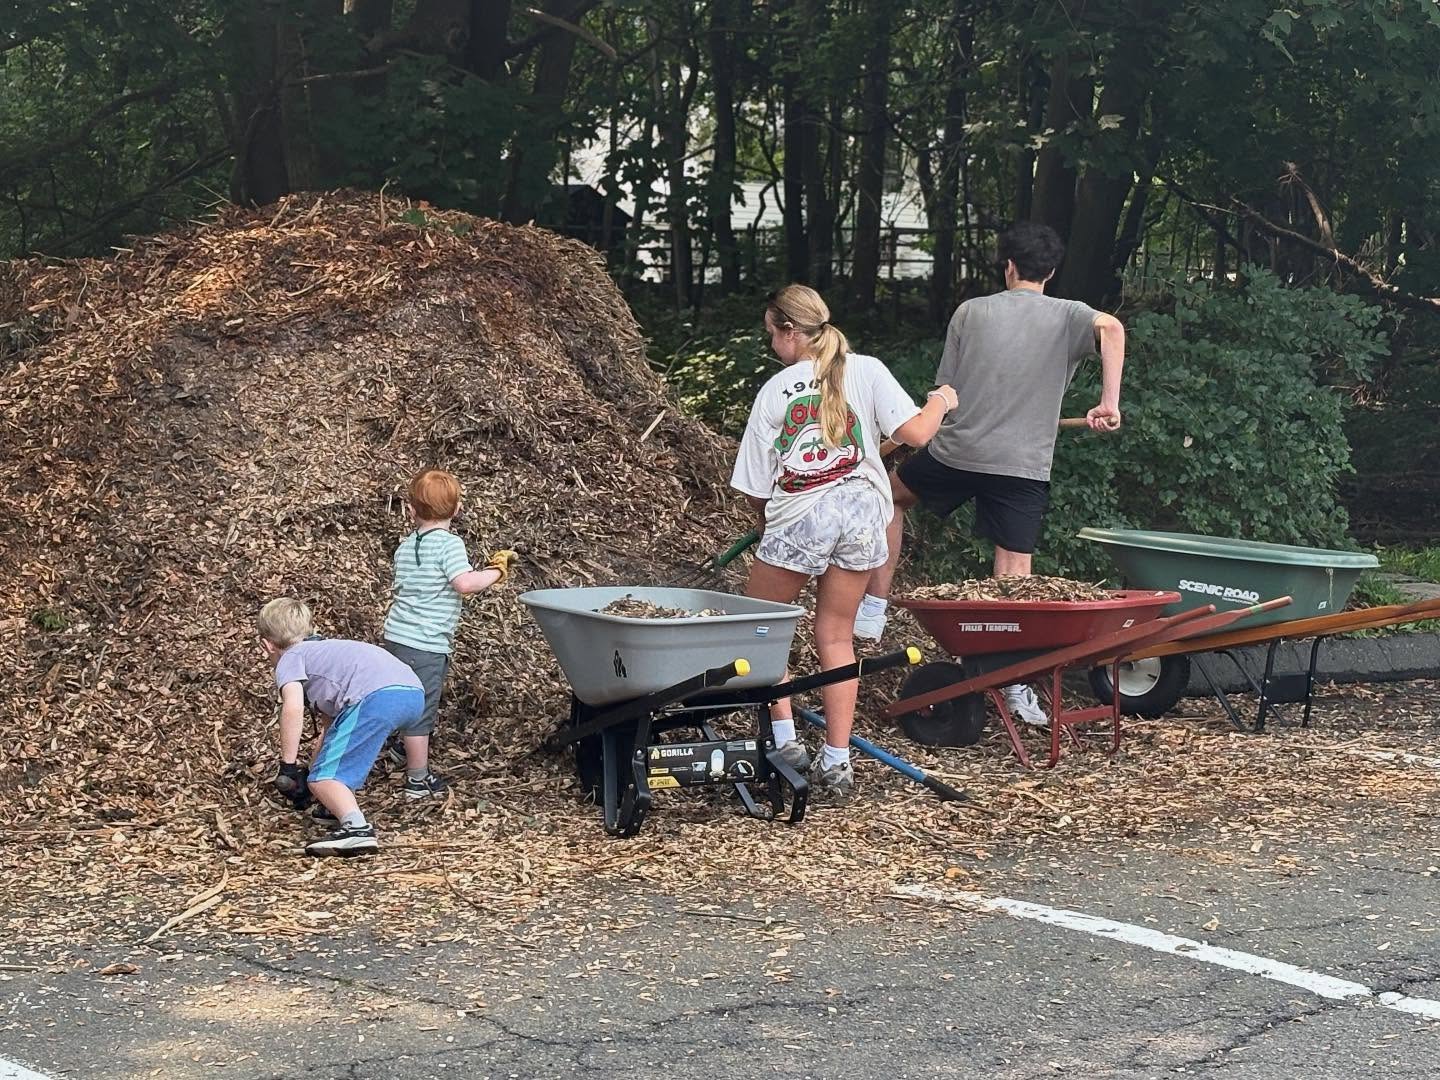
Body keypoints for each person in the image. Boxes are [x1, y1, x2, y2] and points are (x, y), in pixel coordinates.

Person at [857, 221, 1125, 726]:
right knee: (1014, 574)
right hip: (1021, 467)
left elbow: (945, 394)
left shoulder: (970, 311)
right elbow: (1111, 328)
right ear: (1050, 272)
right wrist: (1108, 402)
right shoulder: (1069, 315)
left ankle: (873, 608)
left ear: (1008, 266)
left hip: (956, 452)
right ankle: (1017, 689)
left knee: (888, 497)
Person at [730, 284, 958, 801]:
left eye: (772, 335)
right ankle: (837, 760)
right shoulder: (869, 369)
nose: (771, 346)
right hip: (861, 519)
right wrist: (940, 400)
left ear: (790, 332)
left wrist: (767, 525)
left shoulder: (775, 391)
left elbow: (751, 487)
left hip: (799, 519)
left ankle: (786, 743)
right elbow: (918, 434)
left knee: (761, 632)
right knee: (836, 636)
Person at [380, 468, 516, 798]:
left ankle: (399, 747)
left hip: (395, 636)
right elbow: (464, 583)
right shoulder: (450, 544)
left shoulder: (405, 546)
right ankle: (417, 779)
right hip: (425, 643)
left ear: (411, 510)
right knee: (421, 708)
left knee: (402, 693)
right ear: (456, 510)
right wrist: (496, 572)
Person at [260, 597, 424, 857]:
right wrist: (314, 779)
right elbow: (331, 734)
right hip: (413, 693)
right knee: (327, 770)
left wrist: (288, 767)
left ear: (267, 645)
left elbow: (292, 707)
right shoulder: (329, 652)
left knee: (326, 778)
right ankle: (334, 806)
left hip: (376, 697)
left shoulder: (290, 657)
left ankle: (357, 830)